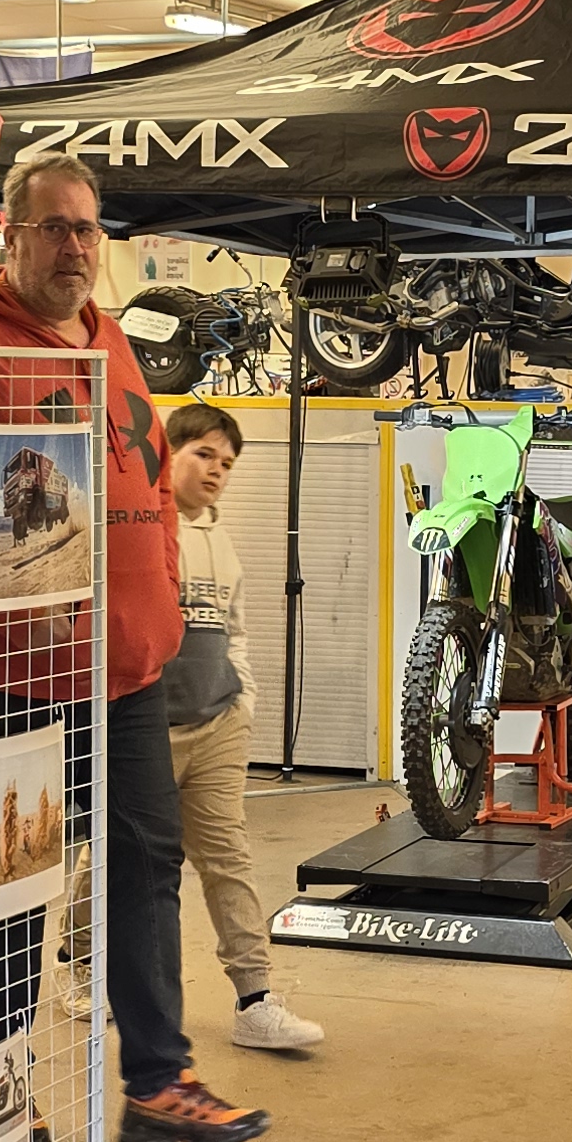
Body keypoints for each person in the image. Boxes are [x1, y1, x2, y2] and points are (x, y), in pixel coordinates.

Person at [0, 150, 266, 1142]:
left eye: (88, 228)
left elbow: (149, 479)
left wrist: (162, 590)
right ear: (7, 235)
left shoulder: (110, 340)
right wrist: (10, 601)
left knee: (145, 870)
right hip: (5, 678)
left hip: (127, 674)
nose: (74, 246)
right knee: (8, 890)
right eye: (53, 227)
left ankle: (159, 1086)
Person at [158, 401, 325, 1051]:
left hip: (218, 727)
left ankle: (256, 1000)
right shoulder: (140, 529)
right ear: (168, 452)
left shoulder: (221, 543)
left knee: (228, 859)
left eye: (226, 463)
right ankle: (81, 965)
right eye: (203, 455)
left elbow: (236, 631)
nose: (216, 471)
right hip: (147, 733)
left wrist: (244, 704)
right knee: (116, 858)